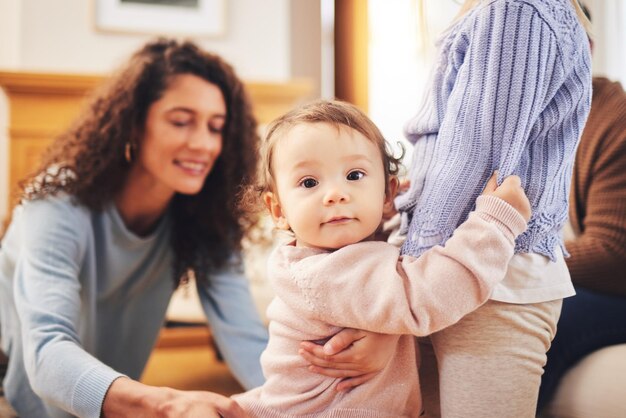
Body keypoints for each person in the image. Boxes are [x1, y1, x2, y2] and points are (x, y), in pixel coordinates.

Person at [0, 39, 387, 418]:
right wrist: (167, 403)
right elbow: (45, 351)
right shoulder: (55, 203)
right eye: (181, 121)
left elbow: (246, 338)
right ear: (133, 124)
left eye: (215, 127)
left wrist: (324, 391)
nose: (203, 143)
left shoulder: (202, 215)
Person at [233, 100, 530, 416]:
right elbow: (424, 297)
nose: (335, 193)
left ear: (388, 194)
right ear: (278, 211)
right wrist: (496, 223)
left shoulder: (328, 255)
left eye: (355, 175)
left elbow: (377, 255)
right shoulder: (322, 274)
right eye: (309, 182)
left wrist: (402, 207)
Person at [390, 0, 593, 416]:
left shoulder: (516, 10)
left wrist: (404, 283)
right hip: (459, 269)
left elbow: (476, 157)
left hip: (486, 278)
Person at [536, 75, 626, 412]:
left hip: (616, 289)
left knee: (538, 314)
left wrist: (513, 266)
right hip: (567, 276)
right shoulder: (503, 118)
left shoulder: (614, 117)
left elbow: (613, 252)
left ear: (583, 47)